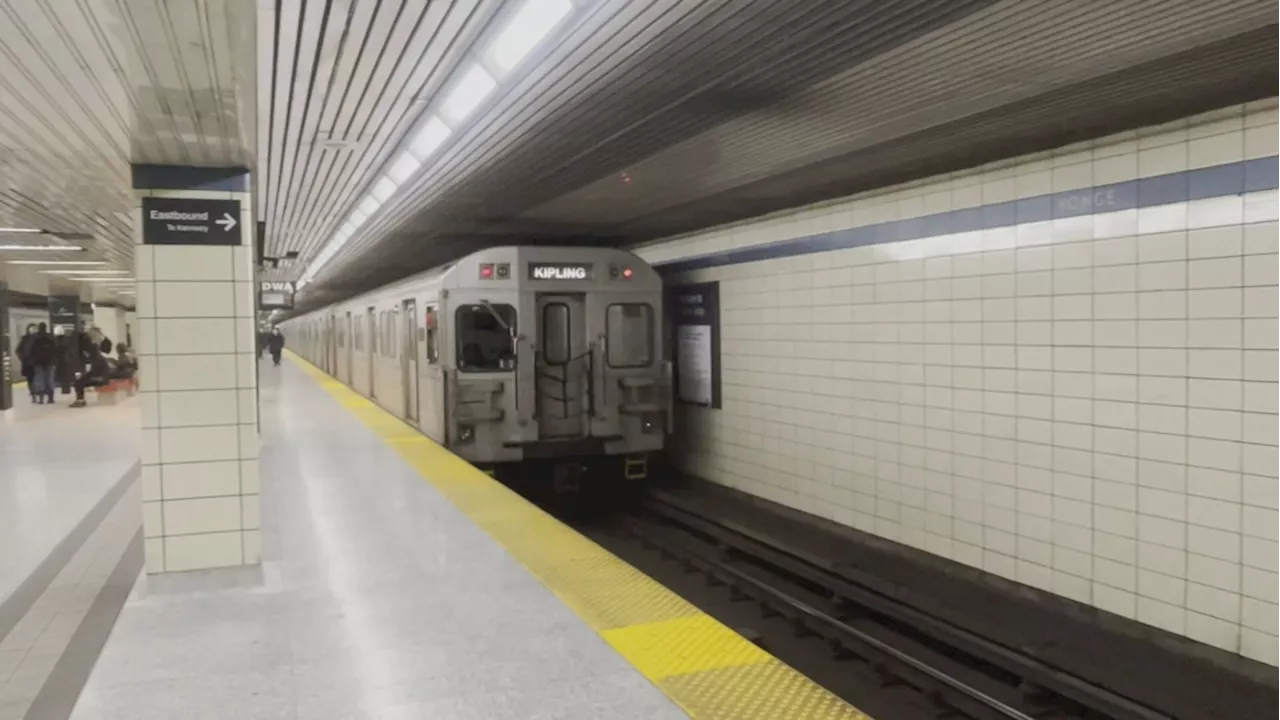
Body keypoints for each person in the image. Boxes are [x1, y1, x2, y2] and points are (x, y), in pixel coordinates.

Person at [70, 328, 109, 408]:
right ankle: (80, 400)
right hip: (101, 371)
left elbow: (92, 365)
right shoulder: (94, 347)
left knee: (78, 381)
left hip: (100, 374)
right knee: (79, 380)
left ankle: (80, 400)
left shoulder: (91, 347)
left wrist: (83, 373)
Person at [28, 323, 58, 404]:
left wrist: (31, 360)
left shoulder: (34, 337)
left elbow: (29, 349)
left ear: (39, 328)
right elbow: (56, 349)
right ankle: (50, 398)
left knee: (40, 379)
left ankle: (41, 399)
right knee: (50, 379)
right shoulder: (51, 337)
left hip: (38, 362)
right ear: (46, 328)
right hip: (50, 362)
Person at [14, 324, 36, 401]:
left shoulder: (37, 338)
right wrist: (22, 358)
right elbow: (18, 350)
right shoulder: (24, 339)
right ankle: (33, 392)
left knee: (34, 378)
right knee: (30, 378)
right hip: (28, 363)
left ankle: (35, 392)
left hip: (35, 363)